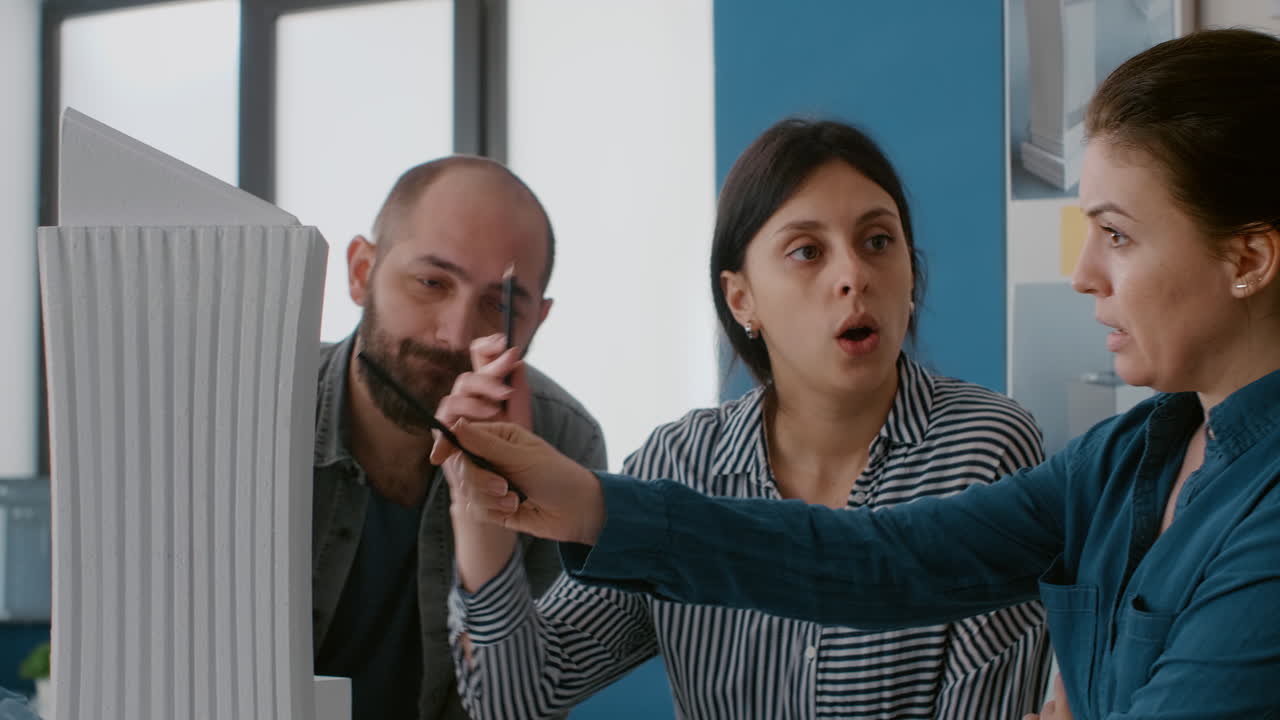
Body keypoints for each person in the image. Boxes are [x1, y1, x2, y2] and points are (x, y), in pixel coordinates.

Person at [438, 29, 1280, 720]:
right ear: (741, 299)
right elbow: (880, 562)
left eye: (1118, 235)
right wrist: (579, 502)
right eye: (806, 251)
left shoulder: (1010, 446)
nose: (1084, 273)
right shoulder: (1130, 456)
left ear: (1248, 258)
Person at [435, 119, 1051, 719]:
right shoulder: (680, 466)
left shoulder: (985, 450)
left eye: (878, 241)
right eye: (807, 251)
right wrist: (479, 507)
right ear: (741, 299)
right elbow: (517, 699)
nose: (854, 276)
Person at [310, 156, 607, 720]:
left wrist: (489, 504)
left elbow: (519, 709)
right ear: (360, 271)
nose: (455, 334)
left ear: (536, 322)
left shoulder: (563, 442)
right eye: (431, 283)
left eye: (500, 304)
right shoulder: (260, 414)